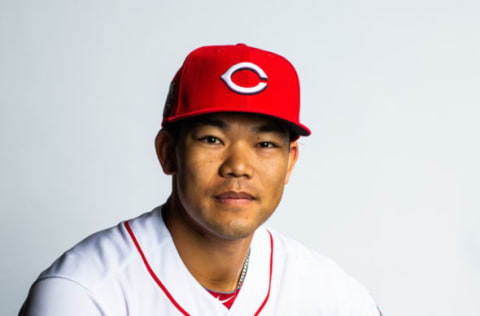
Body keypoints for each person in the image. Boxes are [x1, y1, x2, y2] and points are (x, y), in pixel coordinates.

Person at [20, 43, 381, 315]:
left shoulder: (334, 295)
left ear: (290, 162)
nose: (238, 166)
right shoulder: (83, 294)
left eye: (265, 143)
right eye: (212, 139)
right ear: (167, 152)